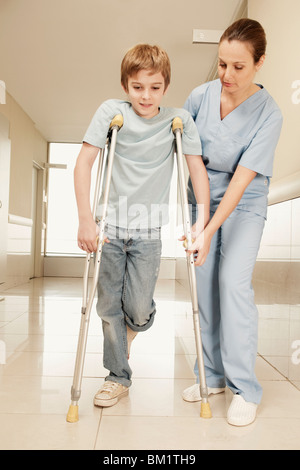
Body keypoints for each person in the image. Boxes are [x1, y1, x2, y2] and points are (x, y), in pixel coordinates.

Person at [74, 44, 209, 408]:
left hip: (149, 230)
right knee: (106, 307)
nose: (145, 96)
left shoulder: (177, 120)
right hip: (111, 227)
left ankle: (129, 332)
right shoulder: (111, 112)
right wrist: (86, 219)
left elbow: (196, 170)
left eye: (154, 87)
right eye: (137, 87)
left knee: (136, 308)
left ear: (165, 87)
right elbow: (84, 163)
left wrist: (201, 223)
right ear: (125, 85)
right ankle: (117, 376)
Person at [181, 18, 283, 426]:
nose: (226, 75)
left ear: (260, 63)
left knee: (232, 284)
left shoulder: (270, 114)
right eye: (222, 64)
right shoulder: (198, 97)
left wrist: (208, 229)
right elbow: (191, 161)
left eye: (238, 67)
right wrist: (201, 221)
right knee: (205, 287)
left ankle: (245, 388)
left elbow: (242, 180)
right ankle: (213, 375)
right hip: (201, 200)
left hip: (244, 203)